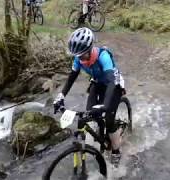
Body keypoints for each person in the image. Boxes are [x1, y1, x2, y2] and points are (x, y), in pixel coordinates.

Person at [53, 27, 125, 166]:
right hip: (97, 82)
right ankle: (101, 133)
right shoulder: (78, 59)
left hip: (112, 84)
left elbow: (111, 81)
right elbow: (71, 78)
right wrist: (61, 96)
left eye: (83, 56)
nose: (80, 59)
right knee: (89, 114)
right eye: (78, 56)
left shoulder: (103, 56)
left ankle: (116, 151)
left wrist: (104, 105)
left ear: (90, 49)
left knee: (109, 120)